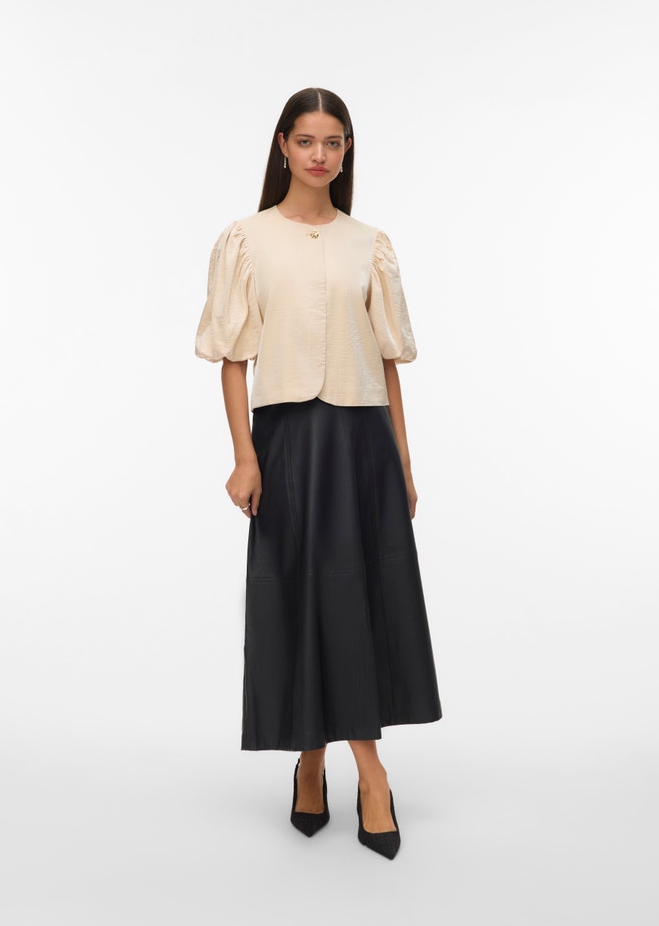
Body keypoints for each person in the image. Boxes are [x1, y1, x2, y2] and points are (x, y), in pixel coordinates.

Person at [195, 87, 442, 860]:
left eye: (333, 142)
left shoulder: (370, 243)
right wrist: (244, 455)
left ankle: (350, 768)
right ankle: (330, 762)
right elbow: (232, 358)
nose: (319, 155)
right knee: (301, 597)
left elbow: (390, 362)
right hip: (288, 443)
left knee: (358, 601)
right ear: (282, 145)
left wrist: (403, 461)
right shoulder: (247, 240)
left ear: (346, 151)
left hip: (363, 441)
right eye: (306, 140)